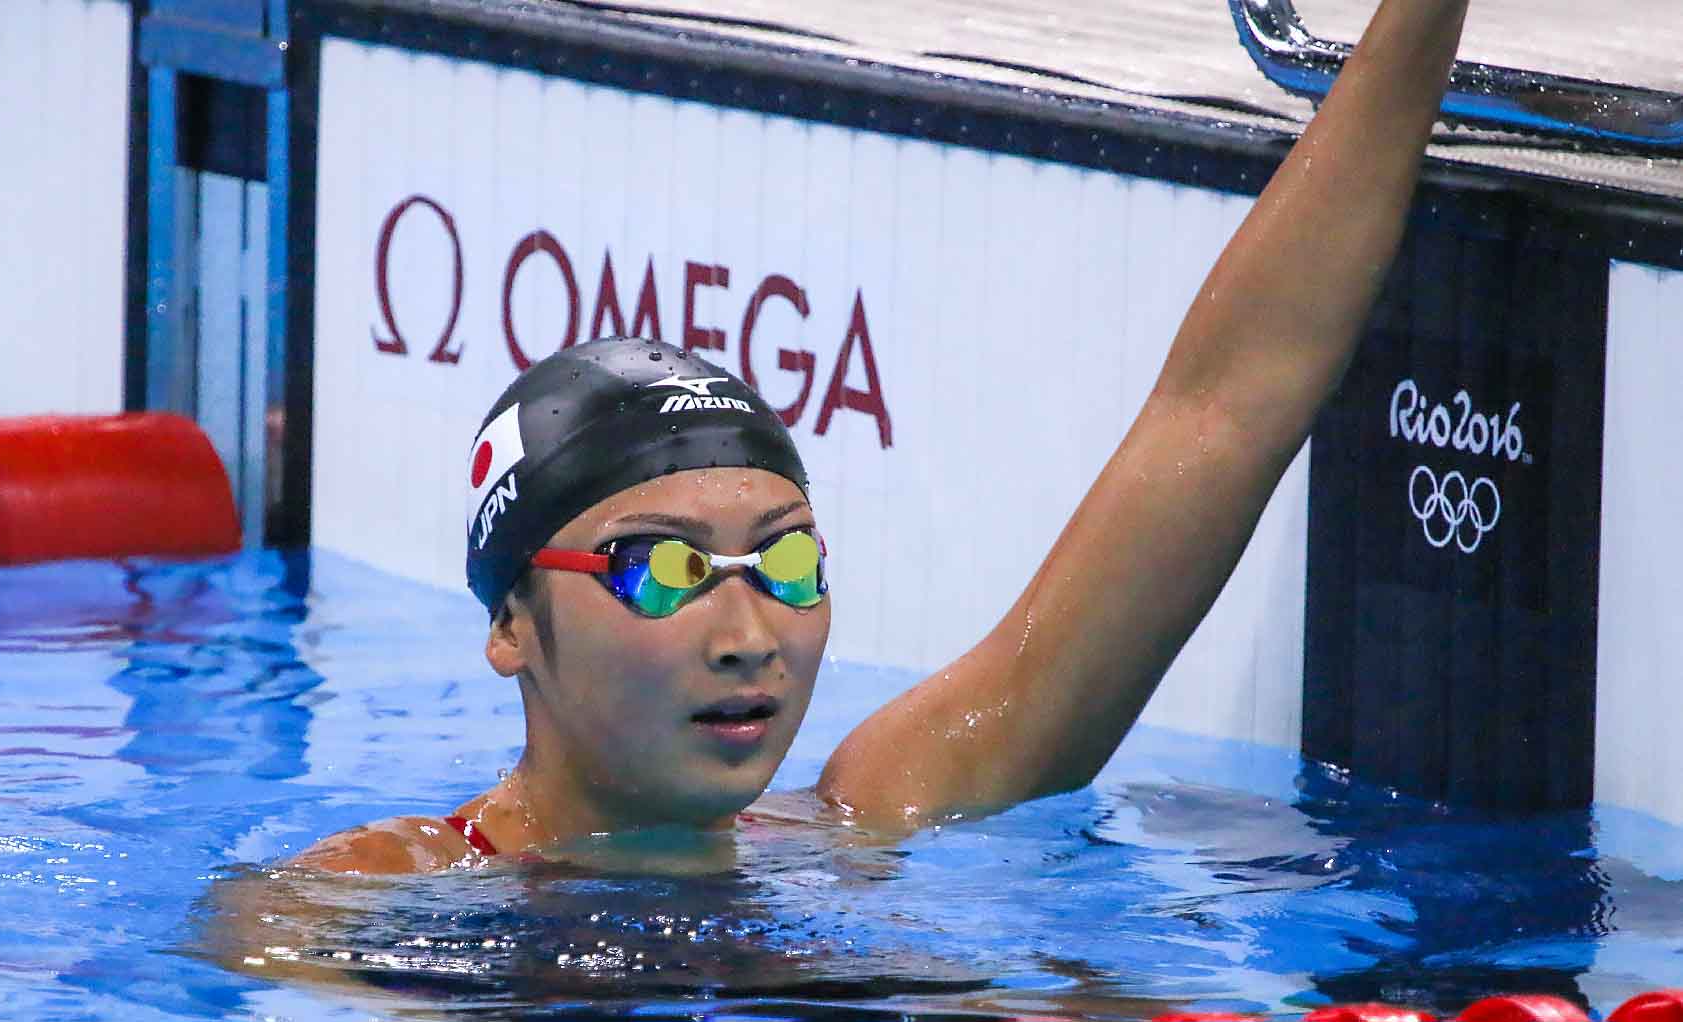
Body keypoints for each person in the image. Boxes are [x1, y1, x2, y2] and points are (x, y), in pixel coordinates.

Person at [292, 0, 1474, 875]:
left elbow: (1222, 411)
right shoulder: (369, 895)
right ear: (510, 623)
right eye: (663, 569)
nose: (747, 638)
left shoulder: (864, 819)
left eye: (785, 561)